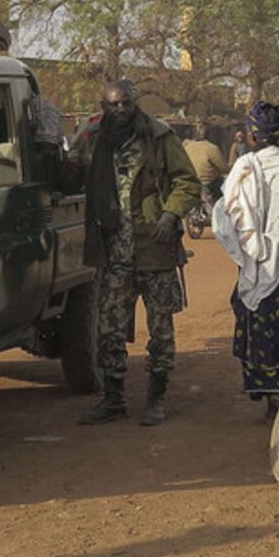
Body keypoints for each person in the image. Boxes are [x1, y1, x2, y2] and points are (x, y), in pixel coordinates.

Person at [70, 80, 200, 426]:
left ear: (136, 103)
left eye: (127, 104)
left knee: (160, 329)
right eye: (114, 105)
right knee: (109, 329)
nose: (121, 110)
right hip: (112, 251)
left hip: (154, 248)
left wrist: (170, 214)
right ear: (104, 105)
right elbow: (71, 171)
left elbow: (187, 180)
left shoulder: (158, 136)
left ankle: (156, 397)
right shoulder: (94, 137)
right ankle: (113, 399)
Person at [212, 101, 279, 410]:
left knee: (256, 322)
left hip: (254, 261)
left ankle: (268, 394)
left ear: (250, 135)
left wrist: (249, 250)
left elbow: (226, 217)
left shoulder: (243, 168)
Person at [183, 123, 227, 201]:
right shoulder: (212, 148)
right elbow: (223, 168)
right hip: (206, 185)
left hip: (189, 183)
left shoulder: (187, 146)